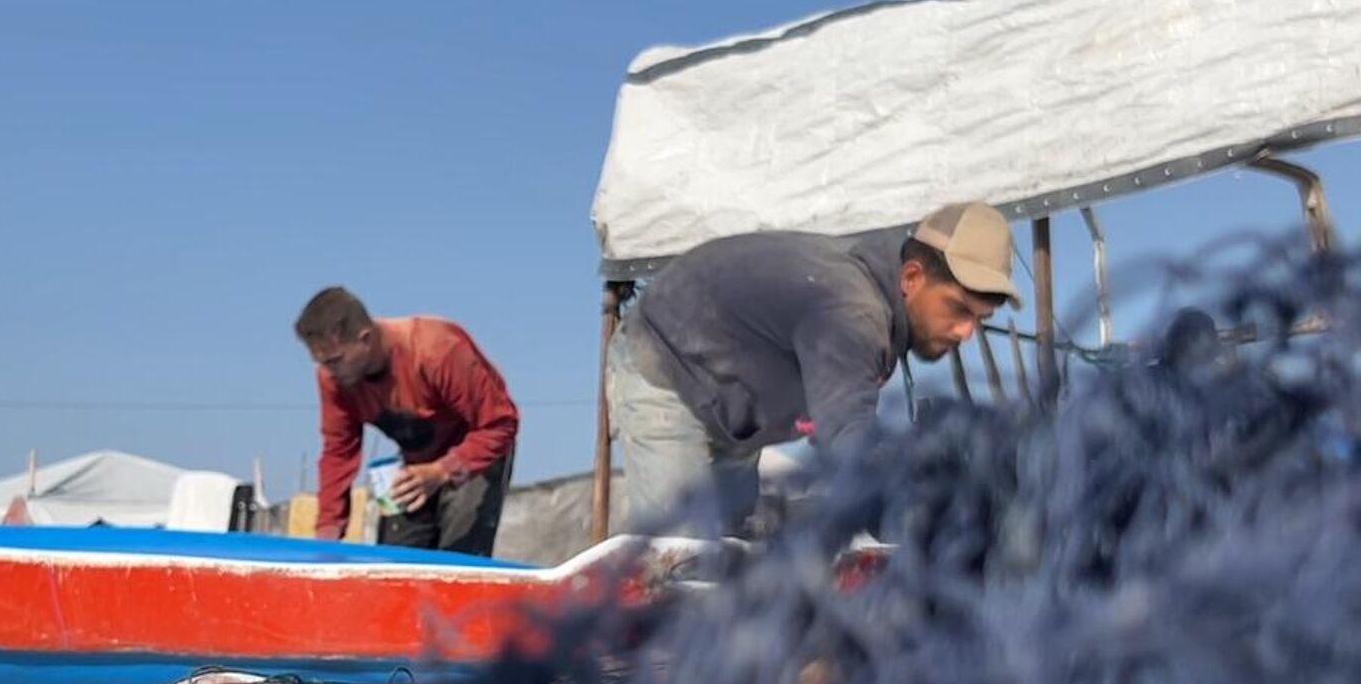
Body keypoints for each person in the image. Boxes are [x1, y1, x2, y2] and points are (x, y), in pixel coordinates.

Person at [608, 200, 1019, 536]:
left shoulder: (873, 301)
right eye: (958, 309)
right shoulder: (855, 312)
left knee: (728, 558)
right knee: (679, 563)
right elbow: (847, 444)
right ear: (912, 277)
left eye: (979, 319)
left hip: (733, 403)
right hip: (666, 367)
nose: (967, 332)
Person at [295, 287, 519, 556]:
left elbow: (500, 423)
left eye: (335, 361)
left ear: (364, 339)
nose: (328, 372)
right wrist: (328, 530)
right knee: (395, 559)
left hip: (475, 455)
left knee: (459, 555)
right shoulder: (334, 379)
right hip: (416, 461)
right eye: (320, 362)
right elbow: (338, 452)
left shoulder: (436, 351)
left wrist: (441, 471)